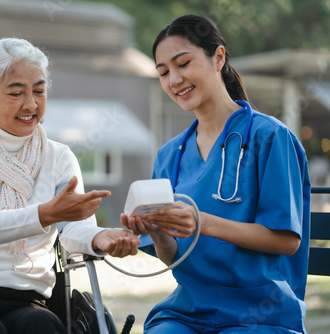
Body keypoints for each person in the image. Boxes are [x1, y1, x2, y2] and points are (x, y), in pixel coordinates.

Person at [0, 37, 140, 334]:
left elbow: (72, 230)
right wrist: (45, 214)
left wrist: (102, 237)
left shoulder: (59, 156)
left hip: (26, 297)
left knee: (41, 326)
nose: (31, 104)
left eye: (38, 90)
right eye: (16, 92)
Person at [121, 15, 311, 334]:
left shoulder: (270, 138)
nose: (174, 80)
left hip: (259, 312)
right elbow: (172, 256)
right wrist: (154, 229)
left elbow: (287, 240)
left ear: (218, 57)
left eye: (183, 63)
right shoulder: (170, 155)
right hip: (188, 310)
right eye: (164, 72)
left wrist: (202, 222)